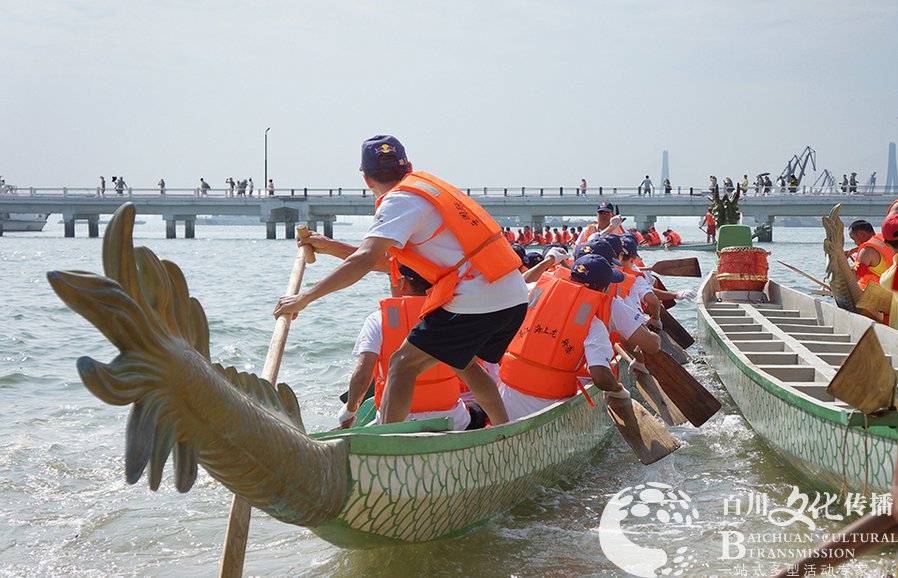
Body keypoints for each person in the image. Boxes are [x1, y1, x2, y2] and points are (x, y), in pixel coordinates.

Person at [273, 135, 528, 426]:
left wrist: (303, 298)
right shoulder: (425, 191)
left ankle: (387, 442)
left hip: (478, 299)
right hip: (512, 294)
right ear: (408, 167)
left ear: (366, 179)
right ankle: (504, 432)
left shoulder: (398, 201)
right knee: (463, 360)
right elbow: (387, 263)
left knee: (401, 365)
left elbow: (365, 259)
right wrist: (330, 247)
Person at [498, 253, 660, 420]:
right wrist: (618, 390)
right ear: (603, 289)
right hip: (549, 401)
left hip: (503, 394)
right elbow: (600, 376)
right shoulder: (593, 324)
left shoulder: (533, 291)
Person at [339, 265, 473, 431]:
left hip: (397, 422)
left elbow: (361, 377)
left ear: (403, 283)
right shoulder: (453, 315)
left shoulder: (378, 319)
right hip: (452, 419)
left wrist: (349, 410)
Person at [846, 220, 895, 290]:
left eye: (853, 239)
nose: (854, 242)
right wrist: (854, 250)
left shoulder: (866, 252)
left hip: (879, 296)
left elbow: (852, 280)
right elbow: (877, 248)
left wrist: (840, 261)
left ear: (861, 234)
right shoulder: (886, 241)